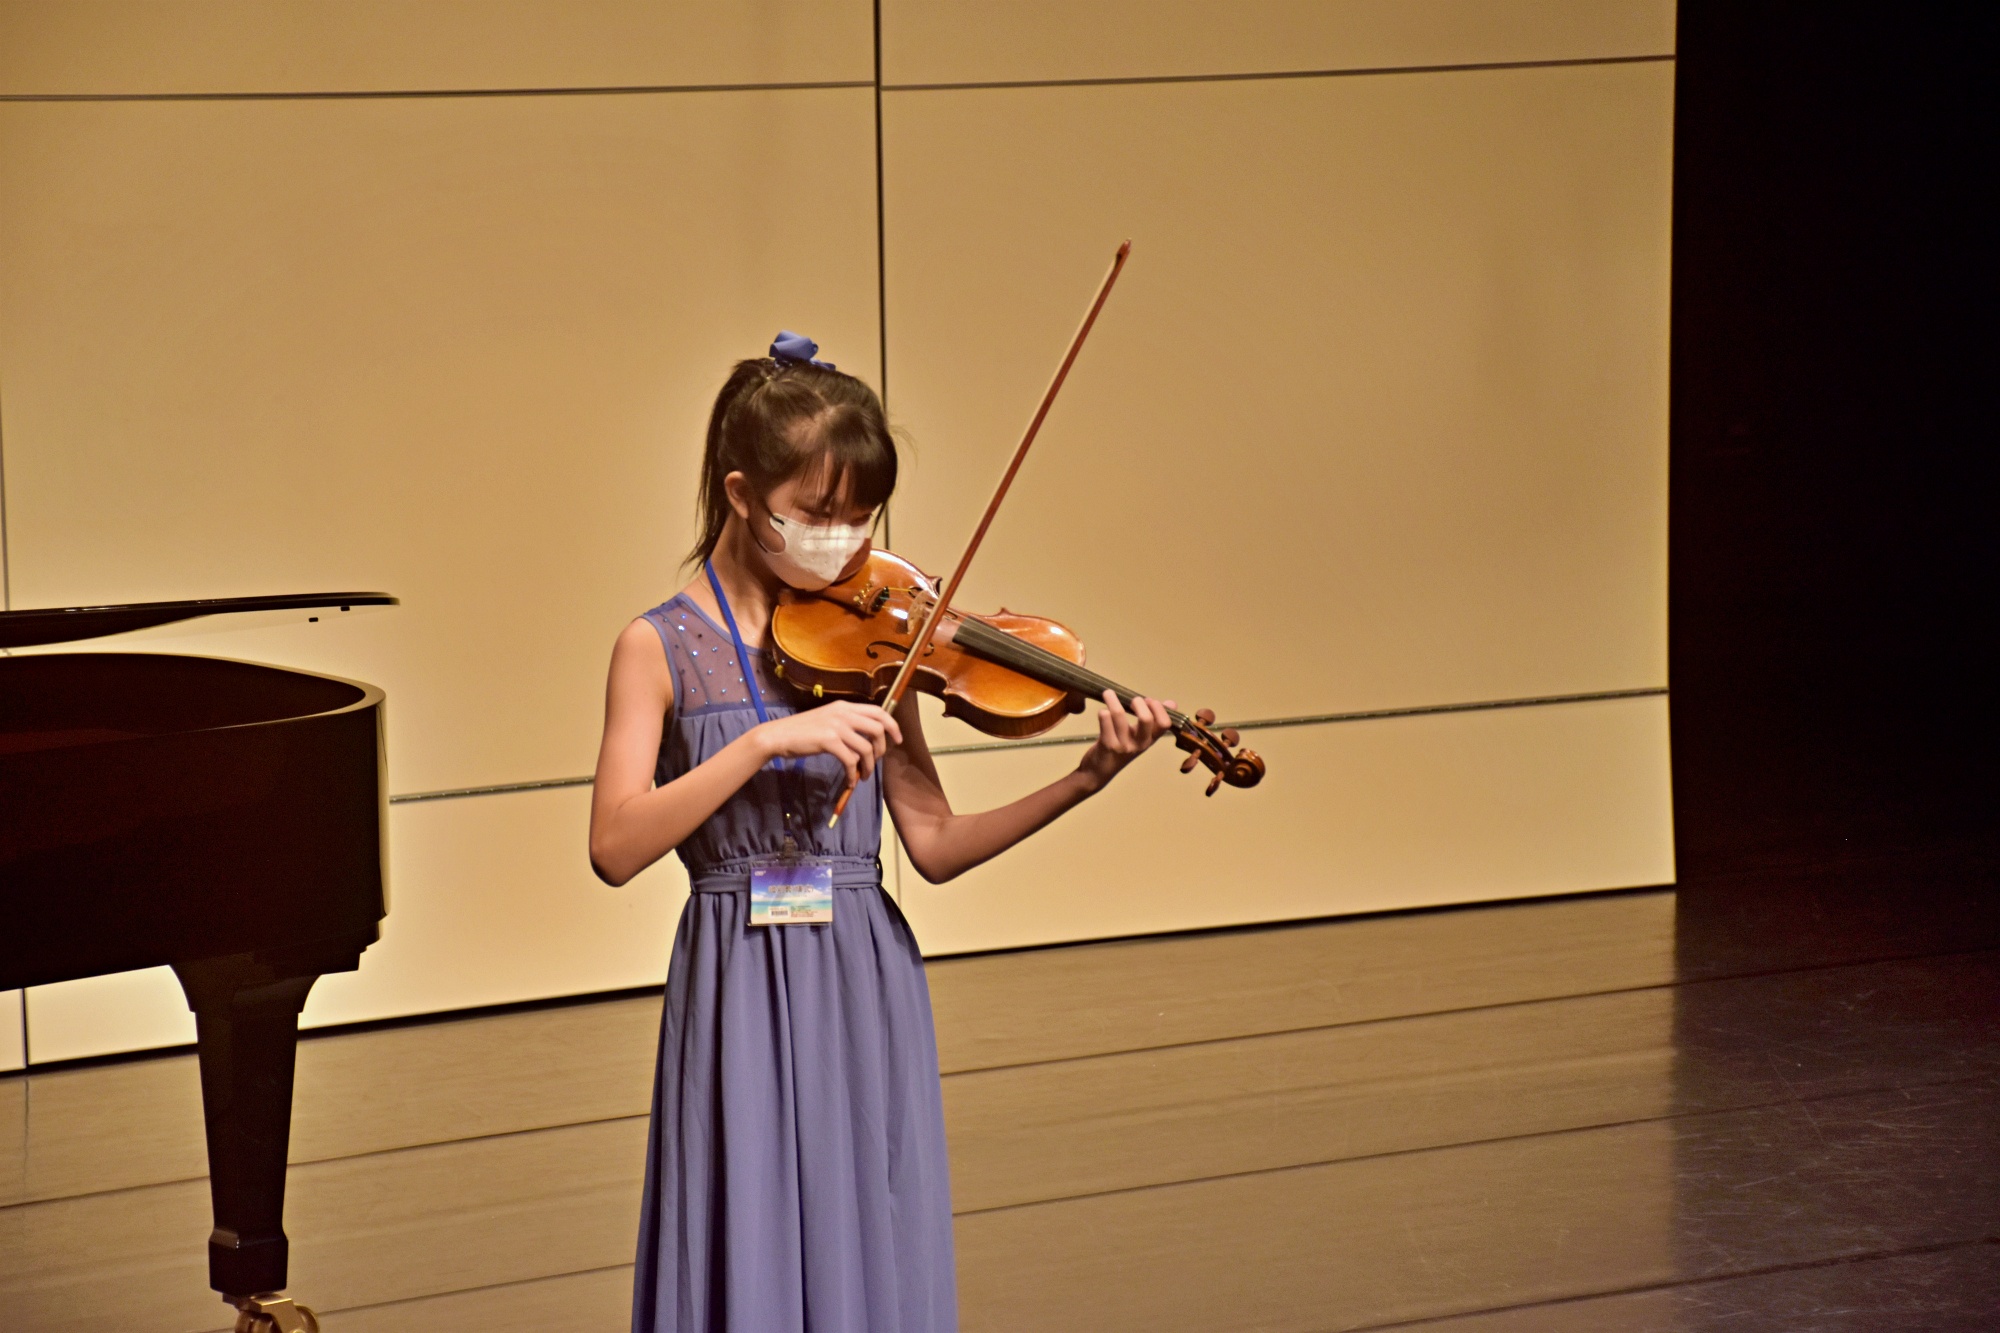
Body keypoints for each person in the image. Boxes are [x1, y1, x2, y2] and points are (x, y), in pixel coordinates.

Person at [590, 332, 1175, 1333]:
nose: (846, 540)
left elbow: (933, 843)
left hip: (861, 969)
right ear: (742, 495)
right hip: (738, 978)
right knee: (747, 1231)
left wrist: (1086, 777)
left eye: (862, 516)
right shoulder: (657, 646)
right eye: (820, 513)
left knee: (867, 1228)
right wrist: (762, 742)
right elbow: (614, 844)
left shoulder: (870, 641)